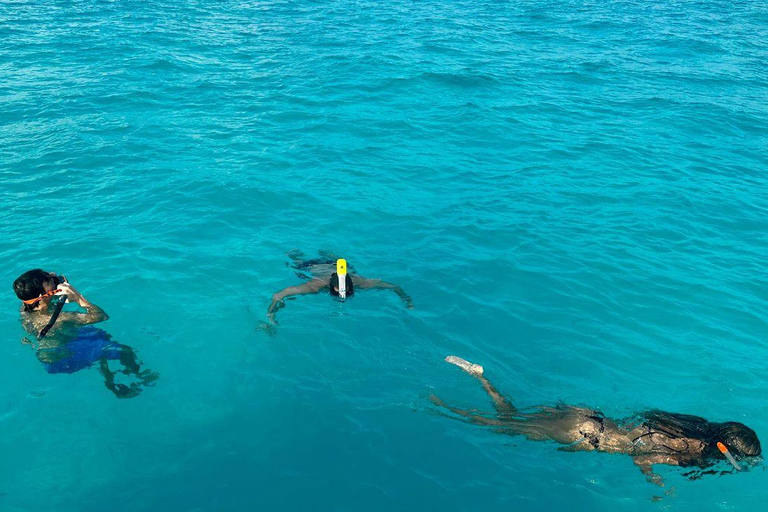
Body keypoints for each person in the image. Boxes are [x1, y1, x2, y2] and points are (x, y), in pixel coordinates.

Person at [432, 356, 761, 486]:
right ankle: (439, 404)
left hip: (590, 416)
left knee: (512, 417)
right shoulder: (691, 452)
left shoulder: (693, 425)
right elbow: (643, 459)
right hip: (583, 434)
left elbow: (644, 427)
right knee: (499, 426)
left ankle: (481, 378)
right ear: (724, 451)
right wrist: (656, 483)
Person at [13, 269, 158, 399]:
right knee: (125, 351)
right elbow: (101, 317)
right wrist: (77, 297)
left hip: (49, 352)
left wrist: (52, 289)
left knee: (101, 335)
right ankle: (133, 378)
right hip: (63, 359)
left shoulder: (26, 306)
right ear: (42, 295)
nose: (52, 277)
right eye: (49, 280)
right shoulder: (61, 319)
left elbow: (46, 294)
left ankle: (105, 369)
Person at [265, 251, 414, 324]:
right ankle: (294, 254)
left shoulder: (360, 282)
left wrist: (407, 300)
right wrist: (271, 314)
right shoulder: (316, 285)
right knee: (297, 262)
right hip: (313, 267)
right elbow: (279, 294)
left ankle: (326, 253)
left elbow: (395, 287)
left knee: (333, 258)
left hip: (338, 265)